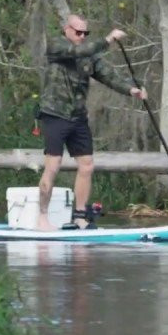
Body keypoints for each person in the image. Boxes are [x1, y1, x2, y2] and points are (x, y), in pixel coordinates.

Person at [36, 14, 147, 230]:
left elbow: (108, 75)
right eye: (78, 32)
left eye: (85, 33)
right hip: (55, 115)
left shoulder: (90, 55)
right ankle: (42, 216)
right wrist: (108, 40)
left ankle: (79, 216)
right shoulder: (56, 46)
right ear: (67, 29)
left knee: (86, 166)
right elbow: (80, 51)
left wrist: (132, 90)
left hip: (78, 118)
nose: (82, 37)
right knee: (53, 166)